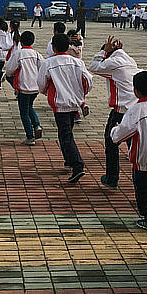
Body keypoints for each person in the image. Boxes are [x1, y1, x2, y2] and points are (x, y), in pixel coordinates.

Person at [110, 70, 147, 232]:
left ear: (135, 90)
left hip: (142, 156)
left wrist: (115, 130)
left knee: (142, 188)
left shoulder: (135, 110)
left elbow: (120, 135)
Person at [37, 33, 93, 183]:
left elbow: (41, 83)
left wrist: (47, 92)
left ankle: (77, 165)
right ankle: (69, 159)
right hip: (75, 103)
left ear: (53, 47)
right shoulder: (77, 62)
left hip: (60, 103)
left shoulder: (48, 63)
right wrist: (81, 94)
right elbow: (88, 81)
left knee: (65, 134)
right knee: (67, 132)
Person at [88, 35, 139, 189]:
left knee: (111, 142)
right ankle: (139, 177)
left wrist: (103, 52)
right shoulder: (130, 60)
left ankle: (112, 178)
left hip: (121, 110)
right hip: (135, 107)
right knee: (133, 144)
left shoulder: (113, 62)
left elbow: (93, 66)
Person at [5, 30, 44, 145]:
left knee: (24, 112)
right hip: (35, 87)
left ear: (21, 42)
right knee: (29, 106)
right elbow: (43, 68)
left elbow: (9, 70)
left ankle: (30, 136)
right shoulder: (37, 54)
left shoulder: (18, 54)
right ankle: (36, 125)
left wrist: (10, 75)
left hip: (23, 87)